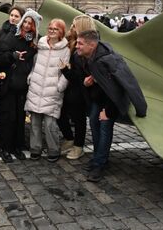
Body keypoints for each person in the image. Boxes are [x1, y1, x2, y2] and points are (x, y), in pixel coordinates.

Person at [76, 30, 147, 182]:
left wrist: (108, 111)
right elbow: (101, 82)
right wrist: (88, 83)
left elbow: (119, 88)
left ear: (92, 45)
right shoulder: (88, 57)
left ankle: (99, 165)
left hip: (112, 102)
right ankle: (99, 158)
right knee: (94, 123)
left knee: (104, 127)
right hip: (99, 99)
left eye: (80, 43)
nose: (77, 46)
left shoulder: (106, 60)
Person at [0, 9, 41, 163]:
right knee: (8, 117)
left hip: (23, 86)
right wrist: (12, 56)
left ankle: (16, 146)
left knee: (20, 118)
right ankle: (4, 148)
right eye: (25, 22)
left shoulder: (33, 42)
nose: (27, 25)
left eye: (30, 23)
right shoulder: (11, 37)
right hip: (9, 84)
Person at [25, 18, 70, 161]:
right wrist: (31, 76)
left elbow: (66, 72)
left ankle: (53, 149)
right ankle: (35, 148)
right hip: (36, 87)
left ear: (61, 32)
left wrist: (60, 87)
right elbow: (34, 63)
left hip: (52, 90)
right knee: (35, 123)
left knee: (51, 124)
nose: (51, 31)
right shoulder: (41, 45)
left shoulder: (65, 50)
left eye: (55, 29)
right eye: (50, 28)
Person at [58, 15, 98, 160]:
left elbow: (78, 76)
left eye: (74, 26)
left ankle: (78, 146)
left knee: (78, 117)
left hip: (79, 90)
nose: (71, 28)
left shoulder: (81, 49)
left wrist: (64, 69)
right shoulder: (73, 42)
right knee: (64, 113)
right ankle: (69, 139)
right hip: (73, 87)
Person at [0, 5, 25, 148]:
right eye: (12, 15)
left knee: (17, 112)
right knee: (1, 111)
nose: (13, 18)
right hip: (3, 77)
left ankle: (17, 141)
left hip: (19, 80)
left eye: (17, 16)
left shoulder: (25, 35)